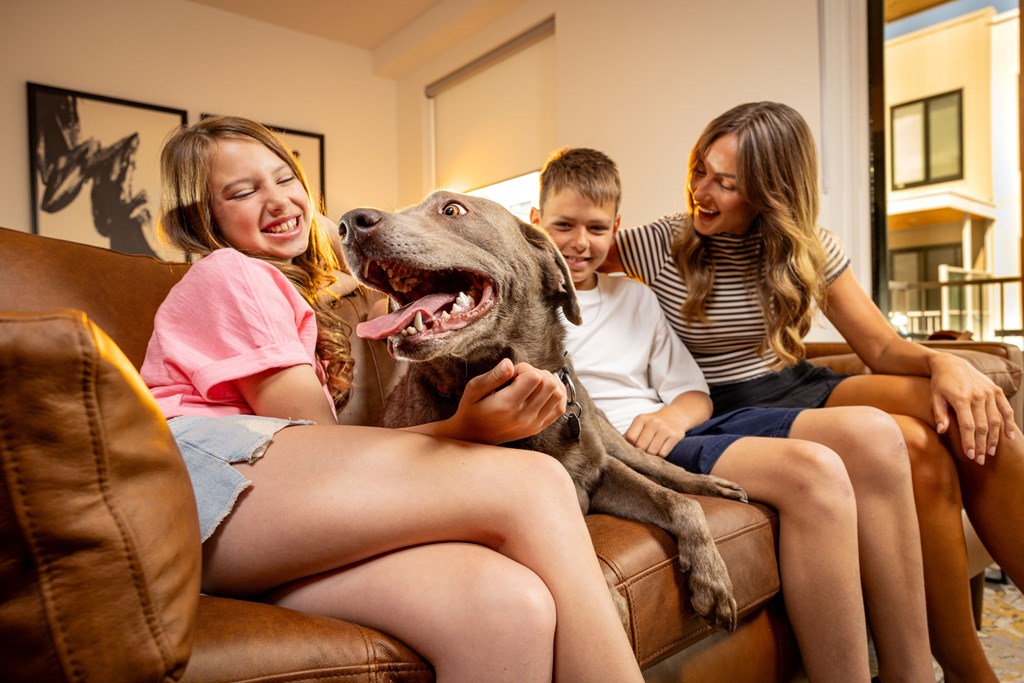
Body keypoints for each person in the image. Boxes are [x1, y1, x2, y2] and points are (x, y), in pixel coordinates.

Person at [140, 115, 645, 683]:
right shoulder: (233, 273)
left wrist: (354, 238)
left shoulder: (286, 290)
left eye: (286, 179)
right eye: (242, 191)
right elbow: (320, 452)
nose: (278, 201)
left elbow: (348, 240)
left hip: (243, 532)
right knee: (537, 480)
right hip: (201, 487)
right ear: (202, 218)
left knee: (506, 607)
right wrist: (464, 430)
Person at [608, 101, 1024, 683]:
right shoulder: (657, 243)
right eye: (701, 169)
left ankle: (965, 669)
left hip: (796, 384)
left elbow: (880, 348)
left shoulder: (806, 245)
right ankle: (961, 672)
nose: (702, 190)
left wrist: (944, 365)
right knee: (916, 447)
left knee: (976, 413)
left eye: (726, 182)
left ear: (769, 190)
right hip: (724, 406)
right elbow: (560, 250)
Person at [532, 147, 935, 682]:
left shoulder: (636, 299)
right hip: (604, 449)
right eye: (563, 225)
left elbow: (693, 395)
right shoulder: (517, 298)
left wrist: (673, 417)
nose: (579, 243)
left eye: (596, 228)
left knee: (839, 457)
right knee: (814, 472)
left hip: (663, 435)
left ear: (616, 230)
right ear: (534, 222)